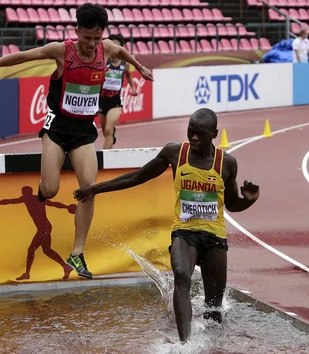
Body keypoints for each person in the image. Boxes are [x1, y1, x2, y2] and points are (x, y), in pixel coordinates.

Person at [0, 3, 154, 280]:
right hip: (57, 127)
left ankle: (77, 252)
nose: (91, 45)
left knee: (89, 188)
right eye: (86, 38)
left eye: (96, 39)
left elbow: (122, 51)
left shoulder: (107, 49)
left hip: (84, 130)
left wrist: (140, 67)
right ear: (77, 31)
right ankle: (43, 188)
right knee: (50, 190)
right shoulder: (61, 51)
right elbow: (22, 57)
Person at [73, 108, 260, 342]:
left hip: (214, 238)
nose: (193, 138)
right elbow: (138, 176)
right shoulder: (175, 153)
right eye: (190, 131)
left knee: (213, 310)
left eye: (200, 134)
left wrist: (249, 201)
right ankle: (185, 345)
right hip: (184, 233)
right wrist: (95, 189)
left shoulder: (226, 163)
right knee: (181, 274)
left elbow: (232, 205)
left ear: (214, 134)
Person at [0, 186, 76, 281]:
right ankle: (66, 267)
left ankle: (27, 274)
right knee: (47, 250)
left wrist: (66, 207)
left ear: (28, 193)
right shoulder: (25, 199)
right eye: (23, 193)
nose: (23, 194)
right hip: (44, 228)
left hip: (44, 228)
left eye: (24, 192)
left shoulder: (36, 198)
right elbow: (10, 201)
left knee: (31, 249)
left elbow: (53, 204)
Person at [98, 33, 137, 149]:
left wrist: (133, 88)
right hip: (101, 100)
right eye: (112, 45)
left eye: (117, 46)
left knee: (109, 130)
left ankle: (105, 160)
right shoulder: (103, 61)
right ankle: (112, 136)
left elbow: (128, 75)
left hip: (115, 101)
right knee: (106, 132)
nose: (114, 49)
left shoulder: (125, 64)